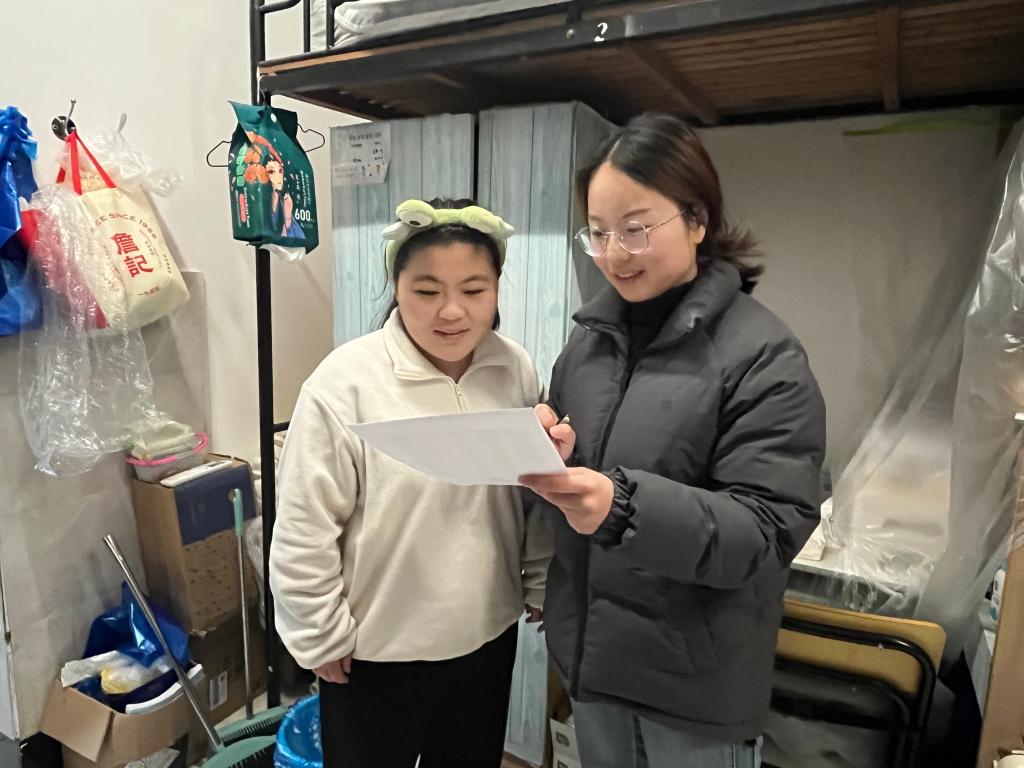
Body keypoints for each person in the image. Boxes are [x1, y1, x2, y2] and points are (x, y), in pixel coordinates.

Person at [520, 113, 827, 768]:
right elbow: (573, 489)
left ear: (697, 219)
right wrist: (547, 453)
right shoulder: (588, 346)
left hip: (695, 693)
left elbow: (767, 530)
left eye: (635, 229)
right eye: (598, 232)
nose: (614, 254)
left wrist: (622, 507)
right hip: (595, 668)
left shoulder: (762, 356)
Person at [270, 198, 562, 768]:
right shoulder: (345, 383)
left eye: (474, 290)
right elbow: (305, 524)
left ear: (496, 290)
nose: (451, 311)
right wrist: (319, 637)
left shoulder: (515, 370)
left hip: (486, 637)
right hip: (375, 652)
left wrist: (540, 580)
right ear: (396, 287)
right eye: (427, 291)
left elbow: (531, 494)